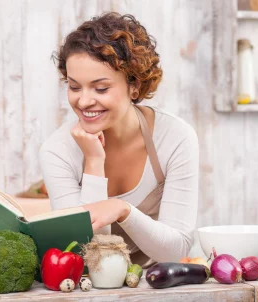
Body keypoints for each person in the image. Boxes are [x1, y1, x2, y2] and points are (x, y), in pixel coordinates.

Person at [39, 12, 199, 267]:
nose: (83, 101)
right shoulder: (58, 151)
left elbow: (175, 251)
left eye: (101, 88)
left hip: (164, 282)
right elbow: (82, 257)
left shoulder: (175, 137)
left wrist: (123, 211)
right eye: (74, 87)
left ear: (134, 85)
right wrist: (93, 162)